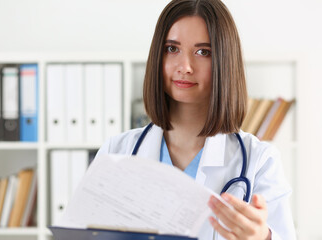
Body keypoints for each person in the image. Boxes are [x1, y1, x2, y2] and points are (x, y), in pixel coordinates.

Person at [96, 0, 296, 239]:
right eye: (172, 48)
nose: (185, 66)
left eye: (203, 52)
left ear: (224, 61)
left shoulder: (259, 160)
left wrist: (263, 236)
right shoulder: (117, 152)